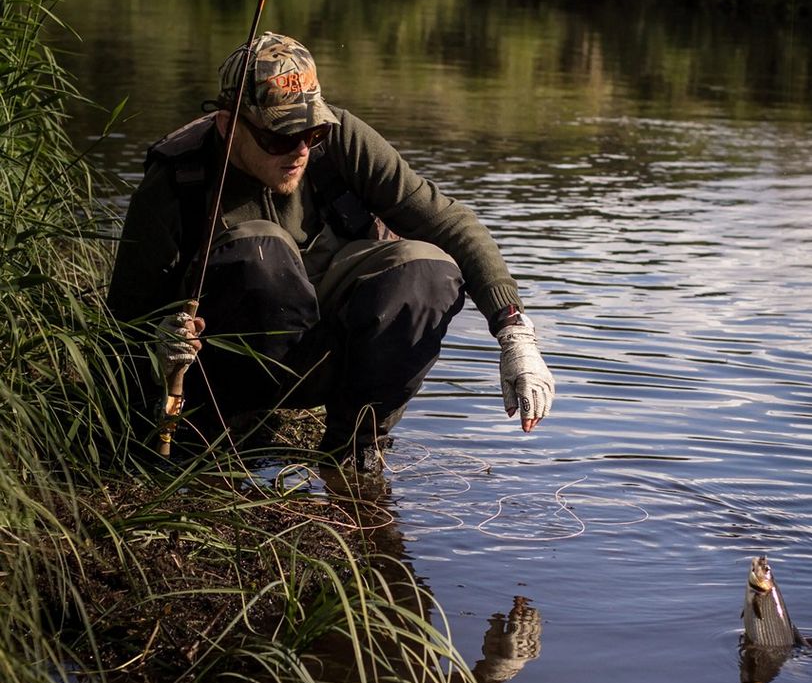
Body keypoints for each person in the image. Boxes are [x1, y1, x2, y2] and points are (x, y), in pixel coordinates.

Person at [107, 32, 555, 468]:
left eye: (313, 132)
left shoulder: (341, 139)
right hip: (223, 369)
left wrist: (514, 331)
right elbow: (124, 321)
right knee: (262, 250)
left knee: (428, 269)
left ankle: (355, 447)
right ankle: (230, 430)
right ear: (229, 126)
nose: (301, 149)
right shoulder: (176, 179)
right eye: (281, 137)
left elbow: (451, 222)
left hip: (329, 347)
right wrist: (156, 345)